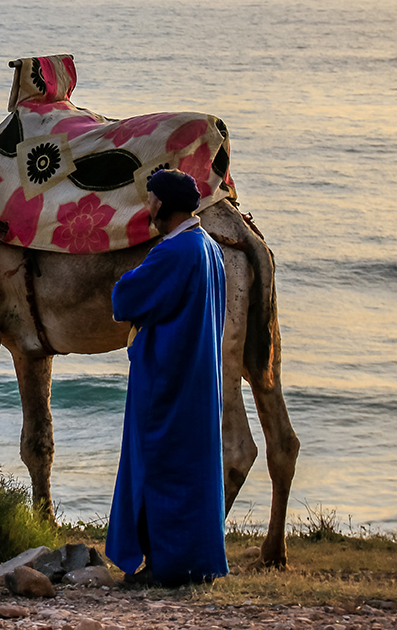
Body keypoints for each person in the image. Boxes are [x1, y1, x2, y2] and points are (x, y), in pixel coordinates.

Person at [106, 168, 229, 586]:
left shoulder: (174, 252)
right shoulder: (209, 249)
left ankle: (166, 566)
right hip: (197, 378)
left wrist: (123, 281)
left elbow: (126, 297)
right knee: (192, 470)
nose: (148, 205)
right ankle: (197, 562)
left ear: (165, 204)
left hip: (167, 379)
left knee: (160, 467)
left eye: (152, 197)